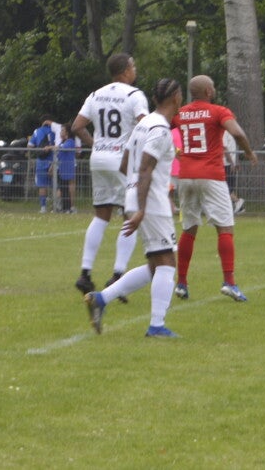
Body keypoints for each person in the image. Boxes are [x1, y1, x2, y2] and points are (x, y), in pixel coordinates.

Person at [83, 78, 187, 339]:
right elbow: (145, 168)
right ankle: (156, 326)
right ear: (176, 97)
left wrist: (132, 194)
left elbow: (125, 163)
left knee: (155, 265)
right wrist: (142, 207)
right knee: (167, 263)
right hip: (151, 202)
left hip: (135, 197)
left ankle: (101, 299)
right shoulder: (160, 129)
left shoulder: (143, 124)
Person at [171, 75, 256, 301]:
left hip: (186, 175)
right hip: (211, 175)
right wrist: (249, 152)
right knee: (225, 227)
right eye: (213, 87)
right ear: (208, 91)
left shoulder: (180, 113)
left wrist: (174, 152)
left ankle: (181, 283)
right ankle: (229, 282)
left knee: (189, 228)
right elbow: (237, 133)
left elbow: (161, 129)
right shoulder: (218, 111)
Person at [71, 53, 150, 294]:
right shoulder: (134, 95)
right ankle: (117, 274)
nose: (135, 70)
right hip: (123, 161)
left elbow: (77, 126)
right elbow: (145, 125)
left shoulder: (96, 94)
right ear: (125, 71)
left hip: (99, 159)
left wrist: (96, 144)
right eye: (133, 66)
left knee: (101, 215)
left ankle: (85, 273)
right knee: (130, 216)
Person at [29, 114, 60, 214]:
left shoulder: (37, 131)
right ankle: (56, 206)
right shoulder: (56, 131)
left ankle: (43, 207)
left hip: (41, 161)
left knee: (42, 185)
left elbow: (30, 145)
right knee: (56, 185)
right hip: (54, 160)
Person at [56, 128, 79, 213]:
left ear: (67, 133)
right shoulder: (62, 142)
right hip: (61, 168)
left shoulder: (70, 142)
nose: (60, 132)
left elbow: (63, 148)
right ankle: (61, 207)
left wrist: (51, 147)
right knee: (62, 188)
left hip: (67, 168)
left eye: (62, 131)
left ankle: (68, 208)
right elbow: (58, 154)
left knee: (66, 188)